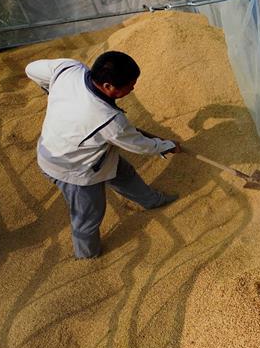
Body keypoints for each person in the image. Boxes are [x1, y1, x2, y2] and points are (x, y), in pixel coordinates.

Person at [26, 52, 181, 259]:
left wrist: (50, 90)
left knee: (125, 174)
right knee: (89, 215)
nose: (132, 89)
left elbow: (31, 69)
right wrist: (167, 146)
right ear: (108, 86)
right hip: (72, 169)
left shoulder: (68, 69)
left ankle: (152, 201)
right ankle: (87, 256)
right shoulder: (110, 120)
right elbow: (141, 146)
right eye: (129, 85)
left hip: (76, 149)